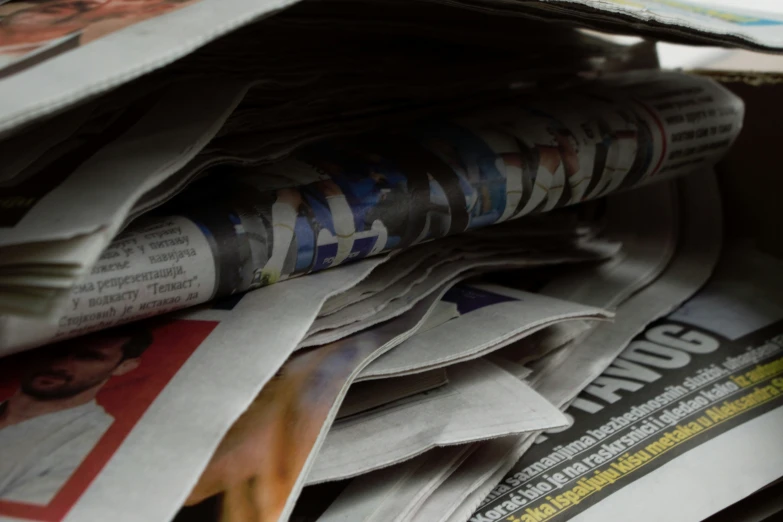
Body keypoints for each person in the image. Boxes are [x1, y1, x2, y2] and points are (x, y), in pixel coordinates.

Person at [0, 326, 152, 505]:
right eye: (54, 349)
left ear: (125, 366)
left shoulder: (95, 444)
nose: (58, 364)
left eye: (88, 357)